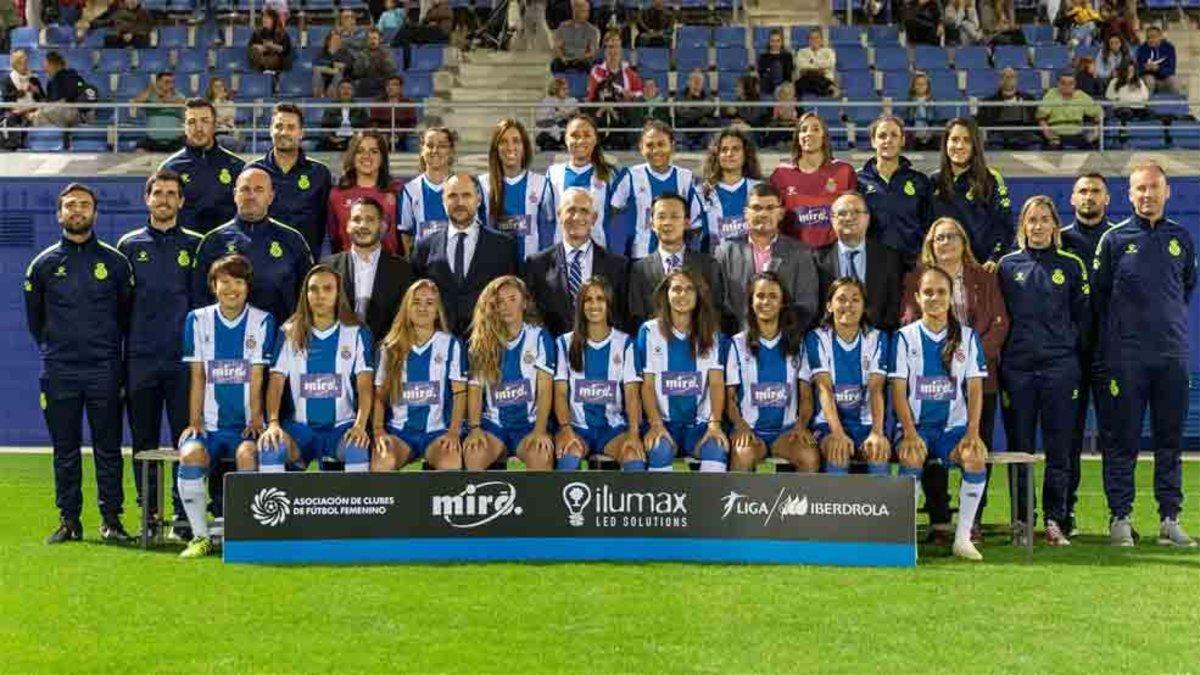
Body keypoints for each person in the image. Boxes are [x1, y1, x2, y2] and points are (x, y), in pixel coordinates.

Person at [1092, 161, 1196, 547]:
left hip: (1171, 357)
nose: (1147, 195)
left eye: (1154, 188)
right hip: (1126, 360)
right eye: (1140, 189)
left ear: (1167, 192)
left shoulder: (1181, 238)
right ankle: (1120, 517)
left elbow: (1185, 289)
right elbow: (1100, 299)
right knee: (1123, 441)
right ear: (1129, 194)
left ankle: (1169, 519)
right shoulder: (1115, 240)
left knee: (1170, 441)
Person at [25, 183, 134, 543]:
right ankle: (69, 520)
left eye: (83, 205)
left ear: (95, 213)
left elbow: (125, 315)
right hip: (60, 371)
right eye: (70, 205)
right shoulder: (42, 265)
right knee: (65, 450)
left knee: (108, 450)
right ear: (59, 214)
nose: (76, 211)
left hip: (104, 368)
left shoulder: (115, 263)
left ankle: (111, 521)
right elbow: (36, 322)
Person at [901, 217, 1009, 543]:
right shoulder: (916, 280)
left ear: (964, 243)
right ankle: (938, 518)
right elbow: (907, 317)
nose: (945, 243)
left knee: (974, 443)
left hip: (977, 374)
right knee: (928, 445)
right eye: (938, 238)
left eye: (951, 237)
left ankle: (972, 521)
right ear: (930, 246)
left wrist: (967, 355)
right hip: (928, 376)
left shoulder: (984, 278)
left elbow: (999, 323)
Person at [996, 196, 1090, 545]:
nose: (1037, 226)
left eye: (1044, 219)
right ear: (1023, 226)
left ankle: (1054, 520)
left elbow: (1084, 319)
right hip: (1017, 371)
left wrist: (1070, 357)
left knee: (1059, 448)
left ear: (1054, 225)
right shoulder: (1006, 267)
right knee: (1021, 449)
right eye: (1031, 220)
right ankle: (1023, 522)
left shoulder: (1071, 265)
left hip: (1060, 369)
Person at [115, 170, 202, 538]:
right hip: (141, 360)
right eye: (158, 193)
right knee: (144, 440)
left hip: (184, 363)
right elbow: (118, 309)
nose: (164, 199)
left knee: (189, 439)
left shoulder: (197, 245)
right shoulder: (128, 246)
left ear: (181, 201)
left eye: (171, 193)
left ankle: (184, 517)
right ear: (146, 199)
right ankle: (149, 517)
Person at [175, 254, 275, 558]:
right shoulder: (197, 319)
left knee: (248, 454)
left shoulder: (263, 321)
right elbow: (198, 375)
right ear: (213, 285)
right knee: (191, 454)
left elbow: (258, 375)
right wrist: (194, 420)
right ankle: (200, 536)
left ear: (248, 287)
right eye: (225, 281)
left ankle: (243, 534)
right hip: (210, 426)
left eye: (239, 282)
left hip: (244, 427)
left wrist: (257, 419)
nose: (232, 288)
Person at [891, 267, 990, 561]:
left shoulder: (968, 338)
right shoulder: (904, 338)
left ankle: (962, 539)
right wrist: (908, 432)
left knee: (974, 457)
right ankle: (905, 539)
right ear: (918, 298)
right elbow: (898, 389)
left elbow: (975, 389)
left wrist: (973, 433)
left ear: (951, 298)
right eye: (928, 292)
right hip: (916, 427)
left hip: (953, 429)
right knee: (911, 456)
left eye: (941, 292)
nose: (935, 298)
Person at [257, 265, 374, 472]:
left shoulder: (357, 332)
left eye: (328, 289)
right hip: (300, 430)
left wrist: (360, 425)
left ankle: (353, 504)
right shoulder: (289, 331)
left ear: (338, 293)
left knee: (358, 448)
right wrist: (273, 423)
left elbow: (365, 386)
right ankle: (276, 504)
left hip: (341, 428)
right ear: (306, 294)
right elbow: (276, 384)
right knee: (271, 448)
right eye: (314, 289)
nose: (320, 295)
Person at [1061, 173, 1116, 533]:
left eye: (1095, 191)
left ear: (1107, 199)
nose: (1089, 197)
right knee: (1068, 438)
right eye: (1083, 191)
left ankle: (1119, 516)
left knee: (1116, 438)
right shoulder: (1060, 241)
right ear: (1072, 199)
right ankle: (1065, 513)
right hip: (1070, 356)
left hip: (1113, 354)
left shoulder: (1121, 238)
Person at [633, 268, 729, 471]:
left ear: (698, 295)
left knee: (717, 449)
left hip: (700, 426)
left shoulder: (712, 334)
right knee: (659, 450)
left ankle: (707, 504)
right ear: (666, 294)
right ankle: (661, 503)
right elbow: (647, 386)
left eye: (689, 289)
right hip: (663, 423)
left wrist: (715, 424)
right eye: (676, 289)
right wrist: (656, 424)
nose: (682, 295)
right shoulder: (649, 331)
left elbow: (716, 383)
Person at [194, 167, 314, 324]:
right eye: (245, 189)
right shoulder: (213, 241)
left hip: (280, 339)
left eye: (258, 190)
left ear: (270, 196)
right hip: (227, 339)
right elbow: (199, 298)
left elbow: (308, 295)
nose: (251, 196)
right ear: (235, 195)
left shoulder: (293, 239)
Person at [371, 280, 468, 470]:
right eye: (416, 302)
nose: (423, 308)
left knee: (450, 464)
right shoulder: (390, 347)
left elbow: (459, 394)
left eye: (429, 303)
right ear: (407, 307)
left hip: (438, 431)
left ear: (437, 309)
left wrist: (454, 432)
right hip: (399, 432)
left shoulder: (451, 345)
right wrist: (378, 431)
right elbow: (380, 396)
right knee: (383, 462)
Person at [726, 271, 818, 471]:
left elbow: (806, 397)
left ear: (783, 303)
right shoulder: (737, 343)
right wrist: (740, 425)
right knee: (742, 455)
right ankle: (740, 502)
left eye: (773, 296)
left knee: (809, 456)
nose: (765, 301)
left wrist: (801, 425)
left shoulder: (798, 345)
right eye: (760, 296)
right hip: (751, 431)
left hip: (786, 432)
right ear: (751, 302)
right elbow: (730, 398)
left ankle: (799, 503)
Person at [462, 276, 556, 470]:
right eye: (499, 302)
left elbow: (545, 390)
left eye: (512, 299)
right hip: (494, 425)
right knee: (473, 453)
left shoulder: (539, 337)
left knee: (541, 455)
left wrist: (540, 430)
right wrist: (475, 428)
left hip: (528, 425)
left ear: (524, 302)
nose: (506, 306)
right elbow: (475, 391)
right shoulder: (481, 341)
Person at [411, 173, 519, 337]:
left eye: (466, 195)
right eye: (452, 196)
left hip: (489, 343)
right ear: (443, 201)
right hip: (438, 343)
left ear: (479, 199)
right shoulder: (425, 246)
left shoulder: (504, 246)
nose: (459, 202)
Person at [552, 276, 643, 470]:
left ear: (608, 304)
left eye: (600, 298)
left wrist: (634, 435)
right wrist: (566, 430)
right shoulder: (564, 343)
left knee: (633, 455)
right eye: (588, 299)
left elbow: (632, 395)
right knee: (569, 455)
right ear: (580, 306)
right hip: (577, 428)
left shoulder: (625, 343)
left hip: (612, 430)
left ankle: (628, 500)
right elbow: (559, 394)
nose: (594, 304)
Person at [806, 277, 890, 475]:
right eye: (841, 299)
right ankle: (836, 505)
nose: (848, 305)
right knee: (838, 451)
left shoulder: (877, 339)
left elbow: (876, 389)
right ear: (829, 305)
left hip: (866, 424)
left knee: (878, 452)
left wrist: (877, 433)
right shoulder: (817, 338)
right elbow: (824, 388)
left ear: (863, 306)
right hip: (828, 425)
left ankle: (875, 506)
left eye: (855, 299)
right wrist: (837, 434)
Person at [525, 186, 629, 335]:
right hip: (555, 352)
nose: (577, 217)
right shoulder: (536, 264)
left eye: (584, 211)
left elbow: (621, 319)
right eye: (571, 210)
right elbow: (532, 318)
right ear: (560, 215)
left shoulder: (618, 266)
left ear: (594, 219)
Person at [714, 183, 819, 331]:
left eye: (770, 208)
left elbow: (807, 305)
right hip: (737, 343)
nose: (763, 214)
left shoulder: (801, 253)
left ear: (781, 213)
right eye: (756, 208)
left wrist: (777, 336)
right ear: (746, 213)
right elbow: (717, 304)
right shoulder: (725, 252)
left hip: (784, 342)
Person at [629, 193, 728, 331]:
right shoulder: (639, 269)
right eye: (661, 217)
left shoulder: (708, 265)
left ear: (687, 223)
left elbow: (717, 311)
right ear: (651, 223)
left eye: (674, 216)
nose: (667, 222)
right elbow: (636, 317)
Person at [321, 196, 413, 344]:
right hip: (336, 354)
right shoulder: (328, 267)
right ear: (348, 225)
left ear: (382, 226)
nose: (363, 225)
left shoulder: (403, 270)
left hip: (385, 355)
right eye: (357, 219)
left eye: (370, 220)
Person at [609, 121, 705, 260]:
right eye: (649, 145)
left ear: (672, 146)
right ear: (641, 148)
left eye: (661, 144)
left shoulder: (686, 177)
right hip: (641, 257)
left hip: (678, 257)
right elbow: (613, 212)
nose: (655, 150)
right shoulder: (630, 175)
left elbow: (696, 224)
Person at [249, 103, 333, 259]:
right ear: (270, 130)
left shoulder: (320, 174)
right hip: (262, 262)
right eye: (278, 126)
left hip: (306, 264)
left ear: (301, 133)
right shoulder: (253, 172)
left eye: (290, 127)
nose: (283, 132)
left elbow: (327, 226)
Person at [813, 192, 904, 331]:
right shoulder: (816, 259)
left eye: (856, 212)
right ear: (832, 219)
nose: (849, 218)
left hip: (877, 340)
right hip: (828, 341)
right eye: (842, 213)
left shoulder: (889, 257)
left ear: (867, 218)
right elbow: (814, 308)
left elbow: (893, 306)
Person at [930, 117, 1014, 269]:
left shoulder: (991, 180)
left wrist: (994, 258)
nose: (960, 146)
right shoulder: (932, 181)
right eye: (954, 139)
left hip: (979, 270)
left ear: (975, 145)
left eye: (967, 140)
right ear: (945, 143)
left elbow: (1005, 227)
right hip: (940, 272)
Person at [769, 111, 857, 249]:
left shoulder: (844, 171)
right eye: (803, 130)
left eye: (815, 129)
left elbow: (854, 217)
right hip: (794, 254)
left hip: (834, 254)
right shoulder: (781, 174)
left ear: (824, 136)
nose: (809, 133)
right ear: (797, 137)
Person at [160, 99, 246, 234]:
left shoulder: (237, 166)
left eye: (205, 121)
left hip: (225, 248)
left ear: (215, 125)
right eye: (192, 122)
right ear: (184, 126)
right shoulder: (170, 168)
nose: (199, 128)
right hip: (185, 249)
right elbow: (162, 216)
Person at [857, 115, 934, 264]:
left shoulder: (919, 181)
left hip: (911, 265)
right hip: (872, 265)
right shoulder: (858, 180)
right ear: (873, 141)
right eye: (882, 136)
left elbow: (929, 226)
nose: (888, 140)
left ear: (903, 140)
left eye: (894, 135)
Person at [478, 119, 555, 261]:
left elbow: (547, 234)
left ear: (525, 147)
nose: (510, 147)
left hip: (530, 271)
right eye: (503, 141)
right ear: (495, 148)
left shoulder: (541, 184)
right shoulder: (482, 185)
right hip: (494, 272)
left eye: (516, 141)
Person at [546, 113, 625, 252]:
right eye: (574, 135)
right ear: (565, 139)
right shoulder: (553, 173)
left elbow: (617, 219)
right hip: (562, 253)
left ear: (595, 140)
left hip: (599, 253)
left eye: (587, 135)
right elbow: (548, 217)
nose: (580, 140)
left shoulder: (610, 174)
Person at [328, 130, 402, 254]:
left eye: (374, 151)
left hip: (389, 267)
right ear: (352, 156)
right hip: (349, 268)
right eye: (360, 151)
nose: (367, 156)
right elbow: (333, 238)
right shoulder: (336, 194)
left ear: (382, 157)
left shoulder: (397, 190)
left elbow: (404, 237)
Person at [698, 127, 763, 248]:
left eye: (736, 149)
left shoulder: (759, 189)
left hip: (753, 262)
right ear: (716, 155)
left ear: (746, 153)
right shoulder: (702, 192)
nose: (729, 154)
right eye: (724, 149)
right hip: (715, 262)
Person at [399, 126, 457, 252]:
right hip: (423, 268)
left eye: (442, 146)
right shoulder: (410, 190)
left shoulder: (462, 187)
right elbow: (405, 233)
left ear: (451, 150)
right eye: (430, 145)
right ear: (422, 149)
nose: (435, 150)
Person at [976, 67, 1040, 150]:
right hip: (999, 134)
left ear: (1016, 80)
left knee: (1035, 143)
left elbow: (1035, 120)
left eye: (1012, 77)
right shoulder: (988, 101)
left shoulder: (1028, 98)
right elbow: (981, 122)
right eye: (1005, 77)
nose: (1008, 80)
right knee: (993, 146)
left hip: (1023, 132)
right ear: (1000, 81)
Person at [1036, 71, 1101, 150]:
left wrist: (1095, 132)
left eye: (1071, 83)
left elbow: (1098, 113)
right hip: (1056, 134)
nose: (1067, 86)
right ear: (1058, 84)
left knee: (1092, 150)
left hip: (1077, 133)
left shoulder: (1081, 95)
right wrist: (1050, 136)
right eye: (1063, 83)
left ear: (1075, 84)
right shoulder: (1051, 94)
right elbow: (1041, 117)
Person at [585, 29, 644, 104]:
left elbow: (640, 92)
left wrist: (632, 95)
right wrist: (621, 91)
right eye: (610, 47)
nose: (613, 51)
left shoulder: (629, 72)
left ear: (621, 50)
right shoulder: (596, 71)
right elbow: (595, 93)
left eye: (617, 47)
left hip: (625, 110)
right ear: (604, 51)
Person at [132, 71, 186, 152]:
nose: (171, 85)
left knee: (189, 151)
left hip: (176, 141)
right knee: (139, 150)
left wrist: (159, 96)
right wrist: (151, 89)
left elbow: (178, 101)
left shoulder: (179, 96)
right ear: (158, 83)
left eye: (172, 82)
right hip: (152, 140)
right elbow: (136, 101)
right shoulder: (150, 96)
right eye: (167, 82)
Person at [319, 80, 370, 152]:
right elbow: (324, 127)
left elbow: (366, 126)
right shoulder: (331, 107)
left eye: (349, 88)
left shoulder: (360, 108)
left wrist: (358, 137)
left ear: (353, 92)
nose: (346, 90)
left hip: (354, 139)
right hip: (335, 139)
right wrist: (332, 138)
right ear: (338, 91)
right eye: (343, 88)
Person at [370, 74, 418, 150]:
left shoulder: (408, 103)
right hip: (383, 135)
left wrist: (398, 135)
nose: (390, 87)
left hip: (402, 135)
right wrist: (382, 133)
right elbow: (374, 122)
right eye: (388, 85)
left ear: (401, 88)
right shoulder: (378, 102)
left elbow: (411, 123)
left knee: (412, 140)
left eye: (394, 85)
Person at [551, 0, 600, 73]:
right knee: (555, 63)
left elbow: (592, 51)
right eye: (583, 10)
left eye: (587, 11)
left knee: (587, 64)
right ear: (574, 10)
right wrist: (562, 57)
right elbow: (557, 47)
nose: (587, 14)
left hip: (581, 60)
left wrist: (580, 57)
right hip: (565, 59)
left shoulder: (592, 30)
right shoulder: (563, 27)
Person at [534, 76, 579, 151]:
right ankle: (556, 145)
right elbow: (541, 121)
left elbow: (575, 115)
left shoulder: (569, 100)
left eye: (567, 89)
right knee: (544, 137)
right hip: (547, 129)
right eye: (564, 89)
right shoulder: (548, 101)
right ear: (556, 90)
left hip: (559, 128)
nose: (567, 91)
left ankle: (556, 145)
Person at [352, 27, 398, 97]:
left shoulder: (386, 53)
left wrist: (382, 60)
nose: (372, 41)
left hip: (382, 83)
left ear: (379, 40)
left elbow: (392, 71)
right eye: (370, 39)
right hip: (366, 83)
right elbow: (357, 73)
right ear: (366, 41)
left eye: (374, 38)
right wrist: (365, 62)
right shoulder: (362, 54)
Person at [793, 28, 838, 98]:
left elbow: (830, 64)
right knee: (800, 83)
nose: (814, 40)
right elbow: (801, 66)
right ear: (808, 40)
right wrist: (820, 69)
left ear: (821, 40)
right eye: (811, 38)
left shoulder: (829, 52)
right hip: (806, 80)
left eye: (817, 38)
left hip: (824, 80)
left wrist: (811, 65)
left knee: (819, 80)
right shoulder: (801, 52)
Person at [248, 8, 294, 73]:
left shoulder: (282, 34)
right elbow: (251, 47)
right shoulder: (257, 33)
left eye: (267, 18)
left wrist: (271, 46)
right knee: (255, 52)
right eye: (264, 18)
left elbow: (285, 50)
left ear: (274, 20)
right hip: (260, 63)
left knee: (275, 58)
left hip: (277, 65)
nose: (264, 20)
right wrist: (259, 47)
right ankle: (264, 70)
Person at [1134, 25, 1176, 94]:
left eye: (1154, 37)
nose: (1151, 40)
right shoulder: (1142, 49)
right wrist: (1145, 67)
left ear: (1160, 37)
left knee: (1173, 81)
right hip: (1147, 76)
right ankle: (1148, 103)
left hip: (1163, 76)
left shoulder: (1169, 48)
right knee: (1150, 80)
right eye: (1148, 38)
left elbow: (1171, 69)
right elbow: (1137, 69)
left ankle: (1172, 103)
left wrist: (1158, 68)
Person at [312, 30, 354, 98]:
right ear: (328, 42)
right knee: (316, 72)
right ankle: (318, 97)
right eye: (335, 40)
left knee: (338, 75)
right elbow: (316, 68)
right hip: (324, 82)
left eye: (339, 40)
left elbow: (343, 68)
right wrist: (333, 69)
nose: (338, 42)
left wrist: (326, 68)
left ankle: (333, 98)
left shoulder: (345, 54)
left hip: (340, 83)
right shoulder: (322, 54)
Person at [756, 28, 794, 98]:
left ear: (781, 42)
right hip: (768, 84)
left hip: (783, 86)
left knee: (777, 67)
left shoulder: (787, 56)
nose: (775, 44)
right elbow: (761, 73)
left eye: (778, 41)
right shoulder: (763, 57)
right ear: (769, 42)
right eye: (772, 41)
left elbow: (788, 74)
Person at [205, 77, 240, 151]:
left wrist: (218, 120)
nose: (219, 89)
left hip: (228, 132)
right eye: (216, 87)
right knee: (217, 141)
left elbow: (229, 118)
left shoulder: (231, 104)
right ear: (212, 90)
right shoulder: (209, 105)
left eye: (221, 86)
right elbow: (213, 120)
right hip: (214, 133)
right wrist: (217, 101)